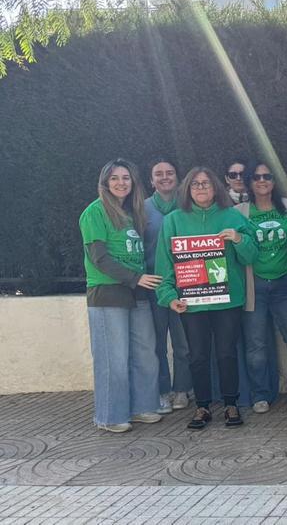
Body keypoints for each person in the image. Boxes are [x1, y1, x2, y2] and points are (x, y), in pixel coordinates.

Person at [154, 166, 259, 430]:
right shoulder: (174, 220)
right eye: (196, 184)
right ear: (187, 189)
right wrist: (168, 297)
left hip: (227, 300)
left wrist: (238, 239)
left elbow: (251, 255)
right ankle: (201, 406)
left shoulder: (232, 217)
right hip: (192, 301)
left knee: (226, 353)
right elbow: (165, 263)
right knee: (197, 355)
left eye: (206, 183)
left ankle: (231, 403)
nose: (201, 188)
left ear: (216, 188)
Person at [80, 159, 163, 433]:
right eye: (114, 178)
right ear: (105, 183)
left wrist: (139, 280)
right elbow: (99, 257)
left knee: (145, 353)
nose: (121, 183)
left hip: (137, 291)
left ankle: (142, 407)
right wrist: (135, 277)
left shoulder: (132, 212)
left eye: (126, 178)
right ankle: (110, 416)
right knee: (112, 358)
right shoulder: (94, 212)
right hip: (108, 292)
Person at [236, 161, 287, 414]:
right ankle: (260, 394)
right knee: (256, 344)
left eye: (267, 176)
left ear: (274, 180)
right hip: (254, 285)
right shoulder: (240, 211)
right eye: (256, 177)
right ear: (249, 182)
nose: (262, 180)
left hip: (286, 285)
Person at [143, 157, 192, 413]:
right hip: (154, 286)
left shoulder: (188, 208)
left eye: (169, 172)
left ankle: (182, 389)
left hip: (185, 283)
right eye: (158, 173)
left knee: (183, 342)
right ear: (151, 180)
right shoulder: (142, 209)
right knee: (157, 343)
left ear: (178, 177)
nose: (164, 177)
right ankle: (162, 390)